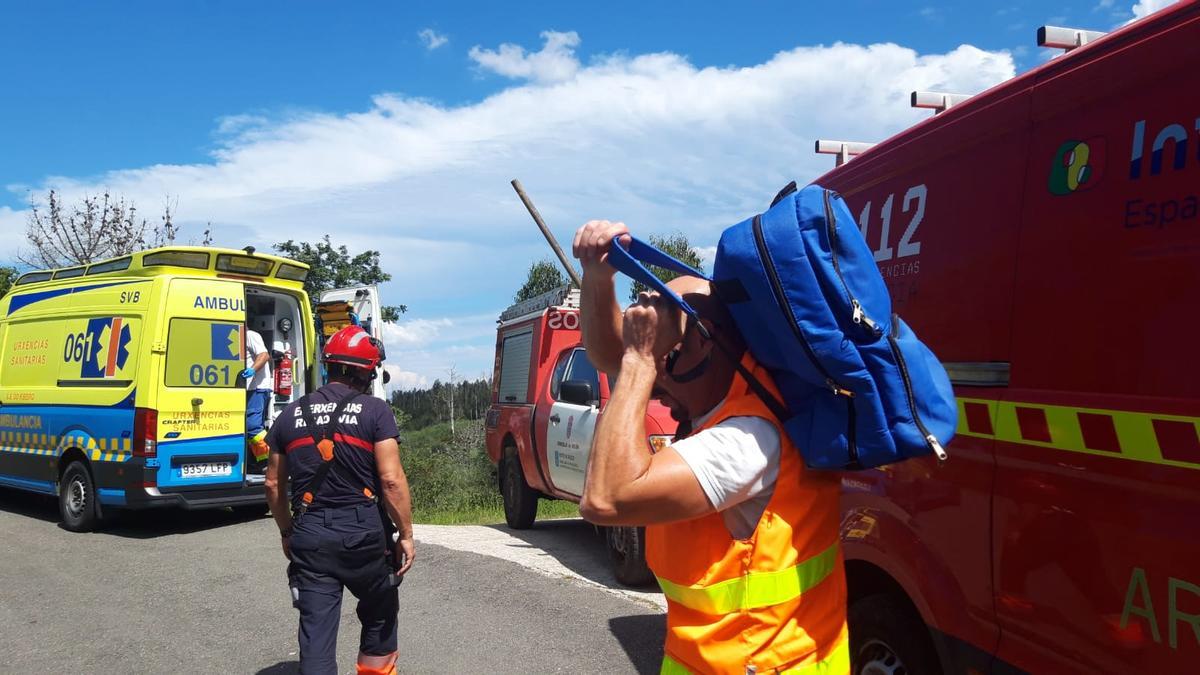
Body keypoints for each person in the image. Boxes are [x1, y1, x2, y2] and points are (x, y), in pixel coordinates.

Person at [572, 220, 849, 674]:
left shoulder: (748, 440)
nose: (657, 375)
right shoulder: (720, 406)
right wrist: (599, 277)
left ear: (703, 341)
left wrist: (643, 359)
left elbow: (606, 498)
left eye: (667, 351)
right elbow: (609, 357)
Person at [264, 325, 415, 675]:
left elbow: (272, 484)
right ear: (365, 371)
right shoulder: (375, 412)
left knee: (316, 629)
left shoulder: (289, 416)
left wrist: (287, 531)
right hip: (364, 533)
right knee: (380, 609)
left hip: (310, 533)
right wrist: (405, 534)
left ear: (329, 365)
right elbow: (391, 481)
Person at [244, 327, 274, 466]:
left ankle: (270, 460)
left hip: (257, 387)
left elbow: (264, 355)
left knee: (253, 426)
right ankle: (261, 462)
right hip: (248, 388)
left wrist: (252, 370)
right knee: (248, 427)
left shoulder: (250, 334)